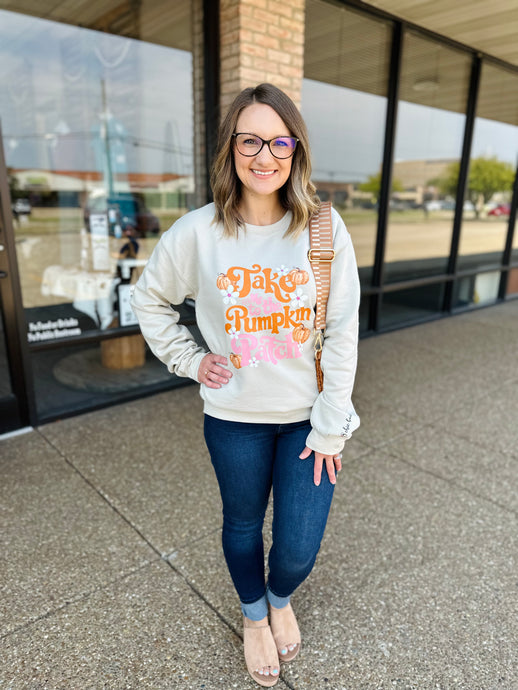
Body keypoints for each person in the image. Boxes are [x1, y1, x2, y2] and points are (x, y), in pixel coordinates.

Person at [131, 83, 360, 687]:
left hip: (308, 420)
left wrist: (332, 424)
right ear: (232, 147)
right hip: (234, 418)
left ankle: (279, 595)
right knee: (240, 523)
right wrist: (188, 358)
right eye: (251, 140)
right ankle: (255, 616)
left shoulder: (324, 231)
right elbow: (150, 299)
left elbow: (341, 332)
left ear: (296, 148)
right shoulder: (199, 232)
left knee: (295, 548)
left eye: (279, 141)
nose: (265, 155)